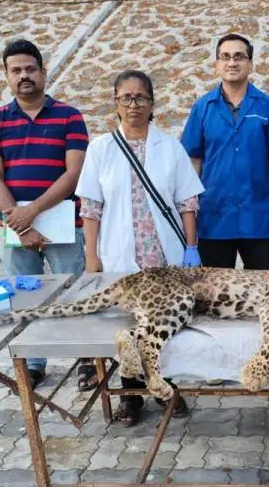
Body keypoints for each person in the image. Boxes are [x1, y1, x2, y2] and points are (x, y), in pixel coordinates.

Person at [76, 69, 205, 424]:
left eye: (141, 98)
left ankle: (166, 388)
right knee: (126, 327)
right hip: (121, 256)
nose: (134, 105)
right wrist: (92, 257)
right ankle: (131, 394)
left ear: (152, 104)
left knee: (164, 323)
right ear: (116, 103)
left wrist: (191, 248)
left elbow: (187, 202)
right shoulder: (100, 149)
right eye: (126, 98)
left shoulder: (170, 147)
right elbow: (91, 208)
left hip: (164, 256)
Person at [0, 38, 91, 390]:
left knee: (75, 292)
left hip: (61, 221)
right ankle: (33, 363)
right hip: (14, 225)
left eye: (30, 69)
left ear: (44, 72)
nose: (24, 76)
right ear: (6, 76)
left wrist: (33, 212)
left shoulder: (69, 116)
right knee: (23, 294)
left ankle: (88, 359)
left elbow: (73, 173)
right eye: (16, 71)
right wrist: (18, 222)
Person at [181, 33, 269, 269]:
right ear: (217, 65)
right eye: (226, 57)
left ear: (250, 64)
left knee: (259, 292)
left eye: (239, 57)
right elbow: (193, 165)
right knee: (216, 297)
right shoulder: (202, 108)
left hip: (257, 220)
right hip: (213, 220)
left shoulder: (268, 107)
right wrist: (190, 218)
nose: (232, 62)